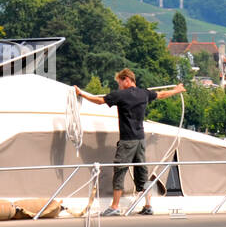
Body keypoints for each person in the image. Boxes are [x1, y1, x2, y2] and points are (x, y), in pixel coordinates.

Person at [75, 69, 184, 216]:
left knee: (119, 171)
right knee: (142, 173)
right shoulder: (143, 93)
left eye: (120, 83)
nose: (119, 86)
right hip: (140, 140)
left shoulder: (120, 95)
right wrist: (177, 90)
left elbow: (100, 101)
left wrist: (81, 93)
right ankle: (148, 205)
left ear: (126, 79)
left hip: (127, 141)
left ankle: (114, 207)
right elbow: (162, 95)